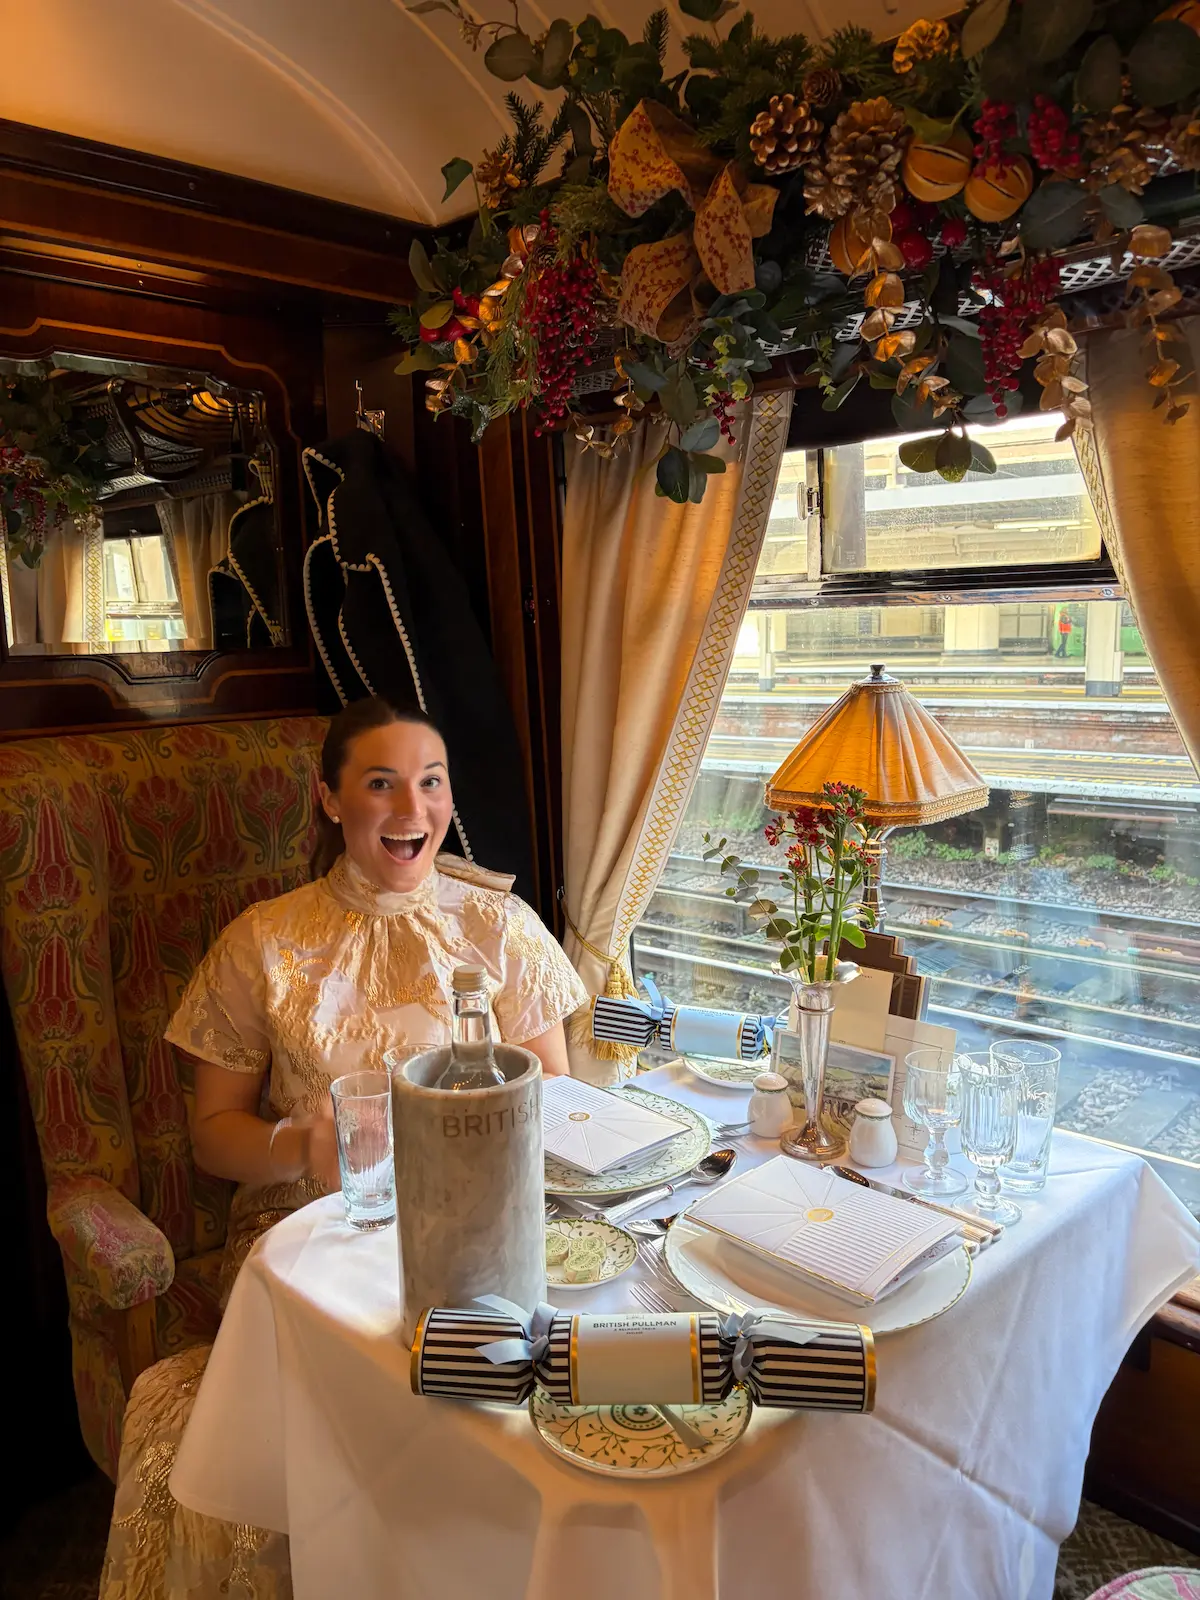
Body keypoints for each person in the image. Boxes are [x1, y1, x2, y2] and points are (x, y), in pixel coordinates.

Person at [101, 698, 588, 1599]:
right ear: (329, 800)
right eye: (381, 783)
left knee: (528, 1383)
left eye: (430, 781)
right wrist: (299, 1147)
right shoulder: (264, 942)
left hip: (488, 1220)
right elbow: (212, 1138)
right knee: (397, 1378)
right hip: (313, 1224)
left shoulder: (501, 926)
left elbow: (557, 1096)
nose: (414, 808)